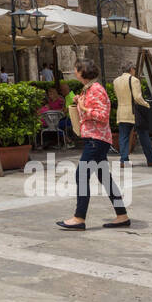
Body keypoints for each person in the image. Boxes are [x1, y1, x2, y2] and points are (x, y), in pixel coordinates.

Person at [58, 59, 130, 230]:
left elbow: (103, 115)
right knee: (105, 178)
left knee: (81, 175)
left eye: (76, 69)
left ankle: (79, 218)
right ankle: (122, 215)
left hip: (96, 139)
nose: (74, 71)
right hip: (95, 138)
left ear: (83, 71)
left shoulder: (96, 89)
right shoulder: (89, 88)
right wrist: (79, 100)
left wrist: (83, 108)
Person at [113, 63, 152, 167]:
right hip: (134, 113)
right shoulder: (134, 80)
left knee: (123, 137)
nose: (135, 71)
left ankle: (124, 161)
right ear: (131, 69)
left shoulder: (116, 81)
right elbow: (137, 97)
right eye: (134, 69)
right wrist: (146, 104)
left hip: (121, 112)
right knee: (144, 136)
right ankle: (151, 159)